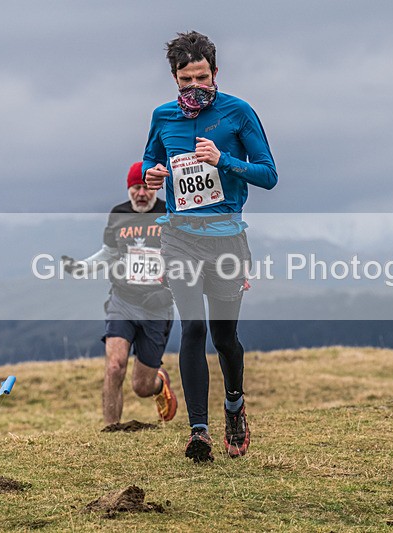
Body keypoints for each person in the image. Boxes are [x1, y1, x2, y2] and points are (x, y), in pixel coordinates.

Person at [142, 31, 277, 462]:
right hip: (179, 237)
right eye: (186, 81)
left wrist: (223, 160)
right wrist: (153, 174)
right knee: (193, 330)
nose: (195, 87)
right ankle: (197, 432)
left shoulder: (238, 113)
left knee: (224, 337)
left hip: (226, 240)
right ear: (175, 79)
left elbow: (268, 174)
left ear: (215, 73)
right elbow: (149, 159)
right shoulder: (163, 117)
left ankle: (234, 406)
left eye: (203, 78)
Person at [62, 162, 177, 427]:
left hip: (156, 308)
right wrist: (82, 268)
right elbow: (109, 253)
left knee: (141, 386)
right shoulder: (118, 214)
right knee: (114, 366)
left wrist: (168, 293)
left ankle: (160, 383)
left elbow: (184, 258)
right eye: (136, 188)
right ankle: (111, 429)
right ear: (129, 190)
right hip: (122, 301)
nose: (141, 194)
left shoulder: (170, 213)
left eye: (147, 188)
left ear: (155, 189)